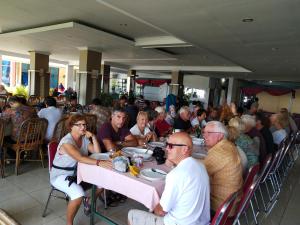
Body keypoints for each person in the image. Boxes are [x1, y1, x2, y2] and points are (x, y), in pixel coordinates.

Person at [128, 132, 210, 225]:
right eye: (167, 145)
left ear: (185, 149)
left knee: (132, 215)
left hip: (177, 223)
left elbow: (161, 211)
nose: (166, 148)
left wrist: (154, 206)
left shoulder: (175, 175)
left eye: (171, 146)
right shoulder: (200, 166)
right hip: (201, 222)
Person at [50, 114, 102, 225]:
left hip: (78, 173)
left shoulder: (83, 139)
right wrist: (99, 163)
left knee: (103, 183)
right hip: (61, 175)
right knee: (78, 195)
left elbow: (97, 153)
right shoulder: (67, 142)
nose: (83, 127)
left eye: (84, 124)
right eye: (79, 125)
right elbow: (80, 158)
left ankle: (89, 201)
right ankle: (69, 223)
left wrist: (93, 137)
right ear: (71, 127)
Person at [202, 121, 243, 214]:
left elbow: (197, 175)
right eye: (204, 132)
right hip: (231, 201)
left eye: (209, 133)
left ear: (220, 136)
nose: (204, 136)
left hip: (220, 206)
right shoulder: (228, 145)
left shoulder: (219, 152)